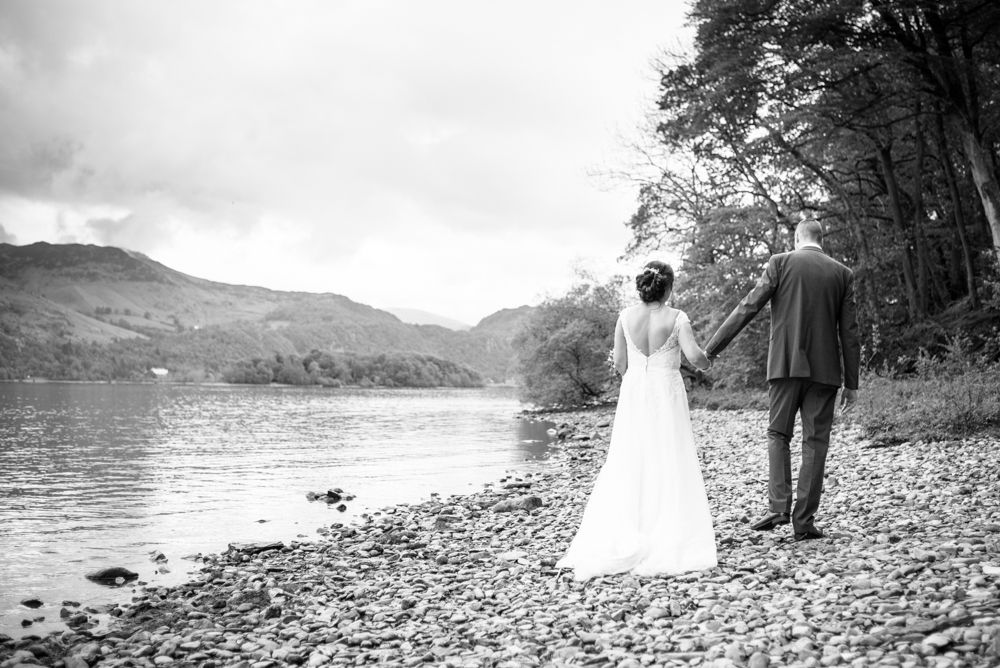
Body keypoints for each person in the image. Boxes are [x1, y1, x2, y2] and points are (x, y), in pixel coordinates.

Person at [557, 261, 717, 580]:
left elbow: (619, 363)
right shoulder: (677, 317)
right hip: (665, 391)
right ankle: (667, 529)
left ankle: (629, 527)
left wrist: (635, 372)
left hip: (634, 393)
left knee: (631, 456)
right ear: (669, 288)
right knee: (668, 454)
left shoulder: (625, 317)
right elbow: (695, 357)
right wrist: (707, 361)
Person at [704, 220, 860, 541]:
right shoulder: (842, 273)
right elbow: (850, 332)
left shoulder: (780, 262)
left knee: (778, 434)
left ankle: (778, 506)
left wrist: (712, 349)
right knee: (815, 444)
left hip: (785, 367)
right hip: (826, 372)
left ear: (796, 237)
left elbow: (748, 307)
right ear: (821, 238)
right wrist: (853, 383)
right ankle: (803, 522)